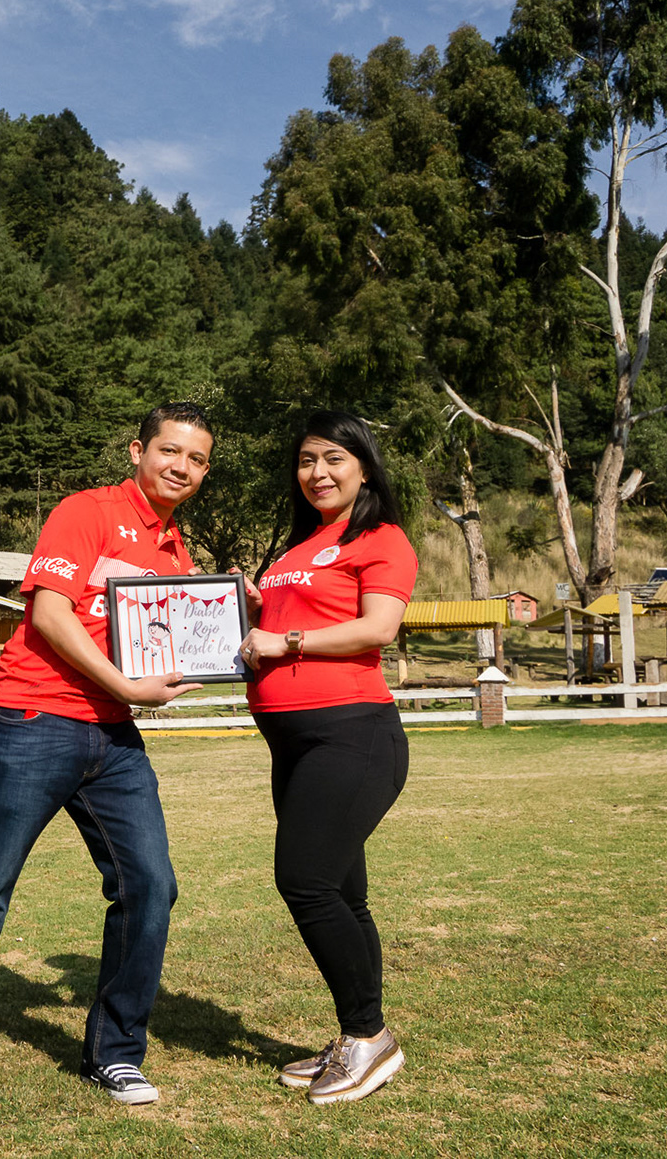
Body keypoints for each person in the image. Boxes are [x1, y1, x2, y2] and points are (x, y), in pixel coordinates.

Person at [0, 403, 215, 1112]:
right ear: (138, 450)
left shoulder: (176, 549)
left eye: (197, 460)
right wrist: (129, 688)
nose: (183, 468)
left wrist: (227, 610)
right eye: (171, 451)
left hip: (112, 736)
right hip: (34, 718)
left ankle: (116, 1052)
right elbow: (49, 612)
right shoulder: (86, 511)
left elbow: (169, 638)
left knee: (150, 886)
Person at [237, 410, 416, 1106]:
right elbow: (279, 626)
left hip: (353, 733)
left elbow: (378, 626)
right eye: (307, 460)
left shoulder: (381, 536)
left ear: (364, 466)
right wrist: (251, 607)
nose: (318, 472)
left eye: (334, 458)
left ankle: (370, 1038)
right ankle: (354, 1034)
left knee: (305, 881)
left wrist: (288, 642)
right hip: (293, 740)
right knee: (344, 893)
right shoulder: (297, 547)